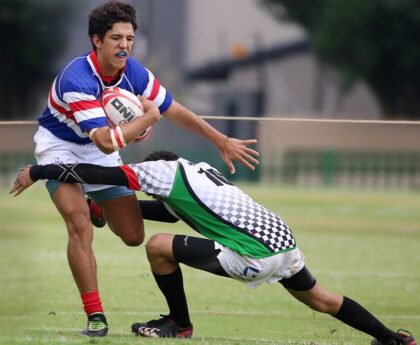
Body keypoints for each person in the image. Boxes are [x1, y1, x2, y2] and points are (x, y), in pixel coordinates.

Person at [10, 151, 416, 345]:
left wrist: (41, 170)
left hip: (254, 253)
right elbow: (171, 213)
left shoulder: (160, 172)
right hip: (282, 239)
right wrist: (107, 210)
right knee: (321, 299)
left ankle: (179, 324)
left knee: (156, 248)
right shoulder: (199, 171)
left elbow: (101, 171)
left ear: (156, 168)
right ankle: (391, 339)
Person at [32, 1, 258, 337]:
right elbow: (107, 141)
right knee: (79, 223)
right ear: (96, 40)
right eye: (115, 38)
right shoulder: (77, 78)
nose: (124, 45)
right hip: (59, 147)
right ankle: (96, 316)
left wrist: (220, 140)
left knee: (133, 236)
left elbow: (174, 110)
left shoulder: (133, 72)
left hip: (99, 147)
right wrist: (145, 120)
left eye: (129, 38)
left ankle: (99, 204)